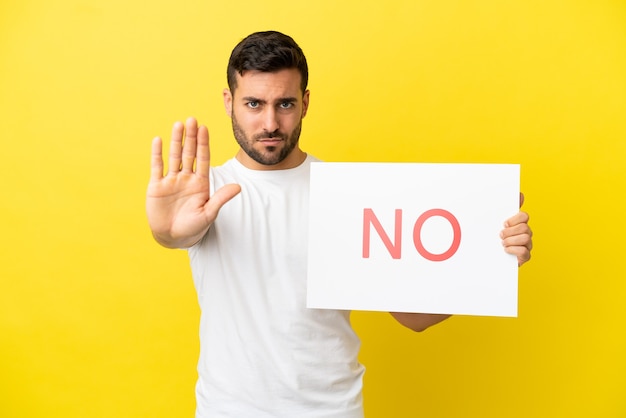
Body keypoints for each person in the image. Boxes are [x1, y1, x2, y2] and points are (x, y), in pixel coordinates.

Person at [146, 31, 533, 418]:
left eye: (285, 104)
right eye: (253, 104)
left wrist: (487, 263)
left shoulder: (348, 195)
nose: (270, 122)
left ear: (306, 102)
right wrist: (167, 232)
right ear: (229, 102)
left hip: (331, 410)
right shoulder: (203, 193)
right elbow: (176, 233)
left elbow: (413, 318)